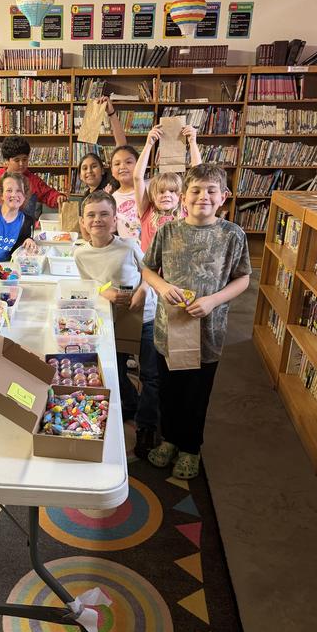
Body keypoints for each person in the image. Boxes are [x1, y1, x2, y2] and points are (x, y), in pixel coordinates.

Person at [142, 165, 251, 479]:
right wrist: (162, 287)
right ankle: (170, 440)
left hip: (207, 332)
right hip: (170, 329)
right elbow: (149, 269)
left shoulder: (232, 235)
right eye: (196, 190)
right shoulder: (168, 231)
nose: (203, 196)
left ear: (223, 198)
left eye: (211, 191)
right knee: (169, 389)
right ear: (183, 198)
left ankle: (190, 446)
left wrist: (214, 300)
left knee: (196, 392)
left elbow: (242, 278)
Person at [74, 190, 158, 440]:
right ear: (82, 222)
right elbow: (88, 283)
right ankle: (131, 404)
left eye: (104, 214)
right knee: (116, 371)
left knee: (151, 374)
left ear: (114, 219)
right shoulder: (80, 254)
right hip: (113, 320)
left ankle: (147, 425)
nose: (97, 220)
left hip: (144, 316)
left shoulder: (129, 245)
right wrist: (105, 291)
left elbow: (150, 273)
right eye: (91, 215)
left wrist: (143, 290)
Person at [134, 124, 202, 252]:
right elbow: (137, 177)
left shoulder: (185, 210)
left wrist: (192, 142)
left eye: (172, 191)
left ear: (181, 196)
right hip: (152, 270)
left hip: (179, 268)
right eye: (160, 191)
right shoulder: (147, 211)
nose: (166, 195)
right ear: (153, 196)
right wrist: (149, 144)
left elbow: (198, 179)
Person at [0, 135, 67, 217]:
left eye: (24, 159)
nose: (21, 164)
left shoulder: (33, 180)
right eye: (16, 160)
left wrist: (58, 197)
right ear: (7, 161)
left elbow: (48, 194)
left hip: (24, 229)